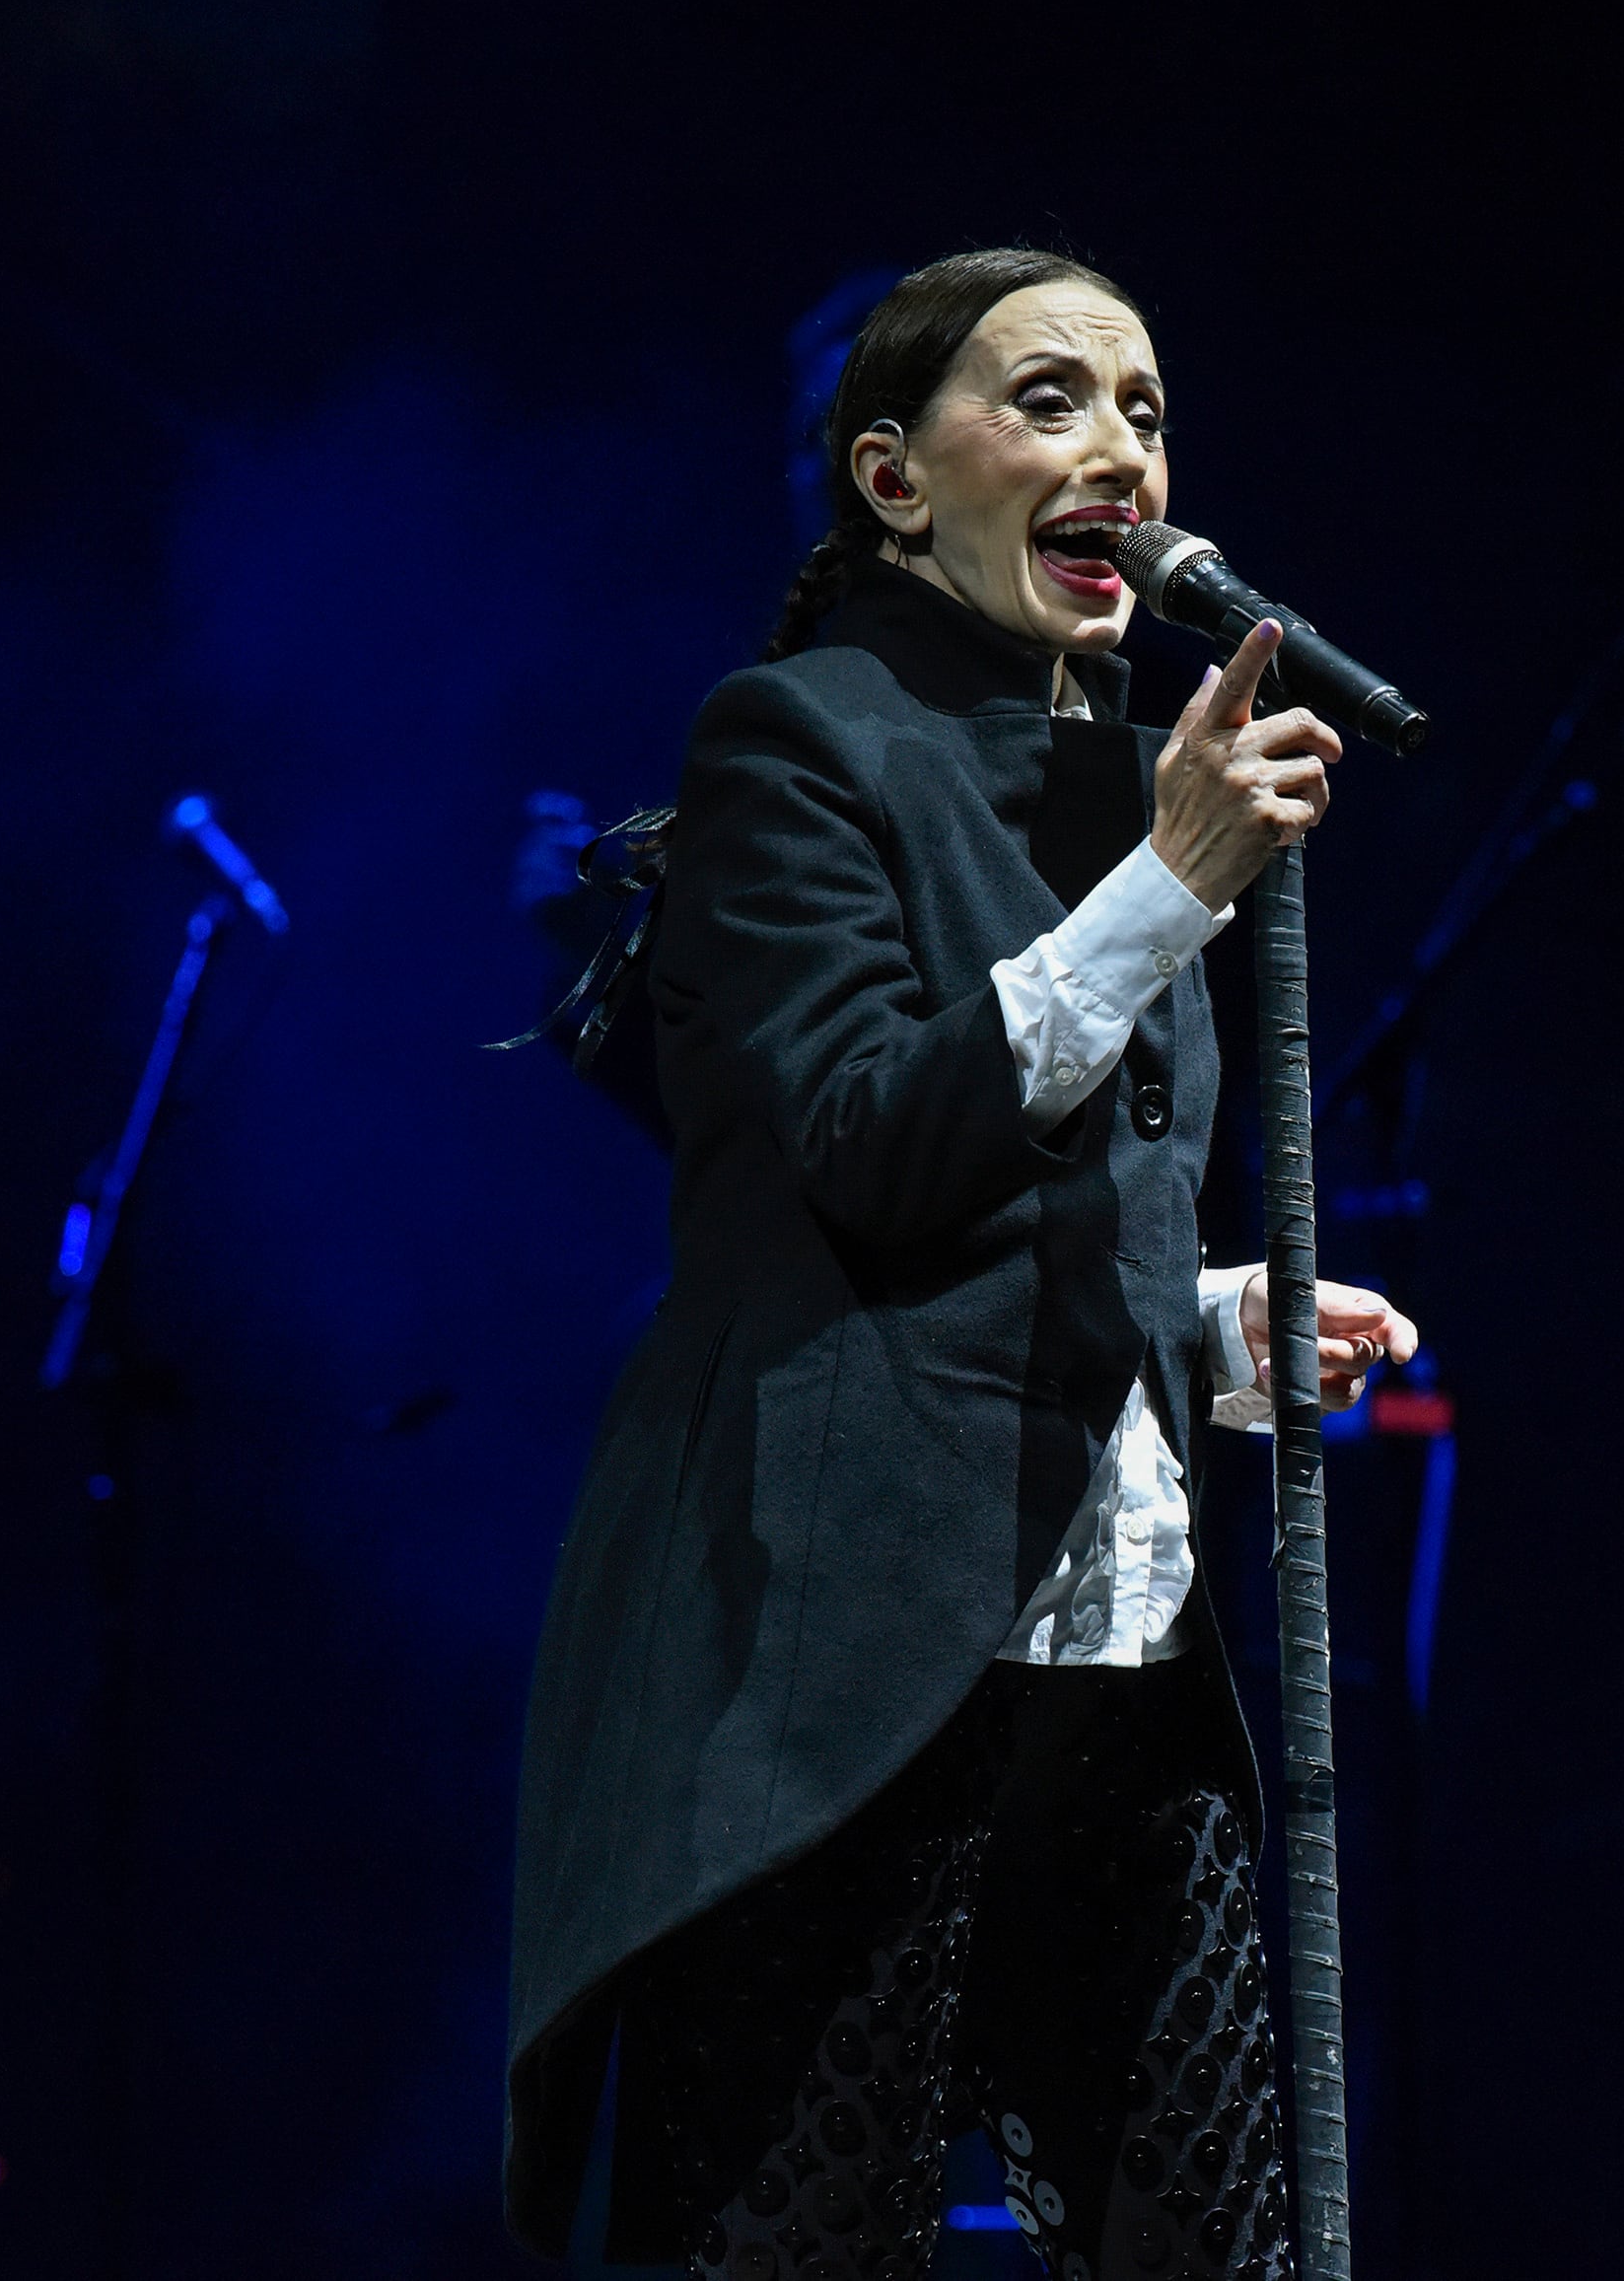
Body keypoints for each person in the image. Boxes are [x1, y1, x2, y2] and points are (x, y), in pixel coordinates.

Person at [500, 248, 1420, 2281]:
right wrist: (1168, 886)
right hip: (854, 1691)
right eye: (1055, 400)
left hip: (1120, 1692)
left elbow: (1026, 1231)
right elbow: (863, 1156)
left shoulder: (1124, 784)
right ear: (895, 481)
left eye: (1150, 409)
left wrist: (1212, 1326)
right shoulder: (790, 749)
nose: (1122, 450)